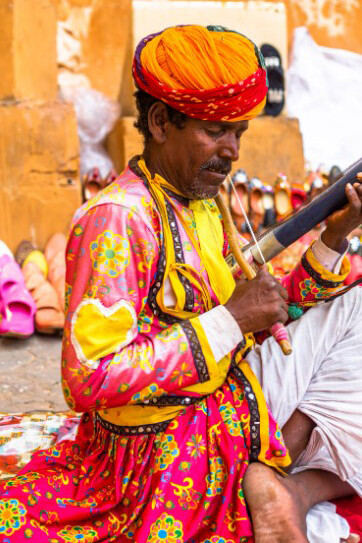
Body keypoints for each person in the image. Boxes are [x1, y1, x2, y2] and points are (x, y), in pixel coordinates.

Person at [0, 25, 361, 543]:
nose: (233, 152)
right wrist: (231, 319)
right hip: (163, 446)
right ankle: (279, 476)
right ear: (159, 121)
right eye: (217, 131)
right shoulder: (119, 219)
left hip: (227, 393)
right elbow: (89, 378)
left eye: (240, 132)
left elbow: (264, 311)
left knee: (357, 311)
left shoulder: (198, 200)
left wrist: (335, 235)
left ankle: (285, 482)